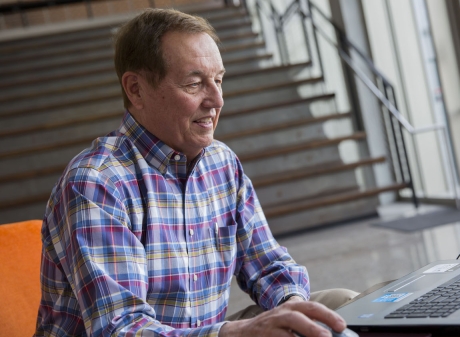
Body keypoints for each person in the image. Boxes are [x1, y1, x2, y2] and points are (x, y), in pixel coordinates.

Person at [35, 8, 357, 337]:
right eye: (194, 84)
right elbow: (121, 329)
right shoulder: (97, 183)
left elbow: (269, 265)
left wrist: (291, 304)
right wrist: (231, 334)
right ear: (136, 89)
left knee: (342, 307)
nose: (216, 100)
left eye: (218, 80)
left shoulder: (221, 162)